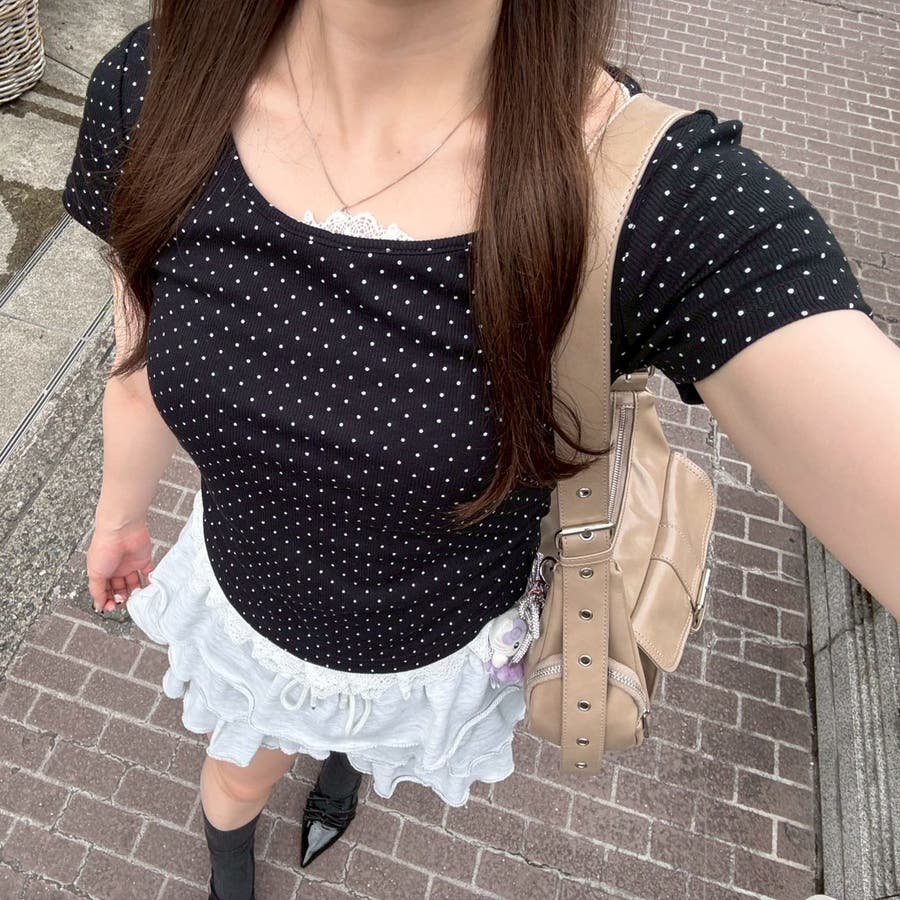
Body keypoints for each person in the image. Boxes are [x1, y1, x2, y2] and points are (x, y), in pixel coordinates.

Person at [63, 2, 900, 898]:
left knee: (356, 740)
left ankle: (342, 763)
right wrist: (119, 514)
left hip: (433, 647)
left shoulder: (653, 200)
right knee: (237, 780)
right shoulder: (159, 87)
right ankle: (232, 870)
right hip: (253, 607)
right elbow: (137, 350)